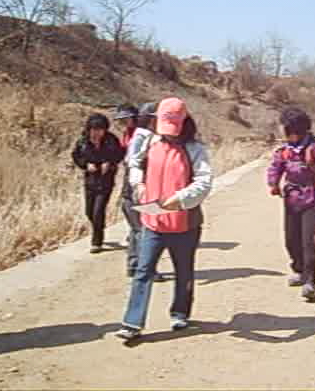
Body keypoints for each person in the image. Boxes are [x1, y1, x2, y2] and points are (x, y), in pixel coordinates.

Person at [115, 98, 212, 341]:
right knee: (143, 270)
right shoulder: (150, 142)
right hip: (153, 221)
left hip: (185, 223)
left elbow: (204, 181)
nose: (168, 134)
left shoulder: (195, 149)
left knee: (183, 271)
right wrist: (138, 185)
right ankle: (132, 323)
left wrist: (180, 199)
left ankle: (180, 313)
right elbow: (134, 164)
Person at [267, 107, 315, 300]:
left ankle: (310, 281)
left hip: (314, 198)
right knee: (291, 239)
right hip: (292, 198)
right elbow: (275, 167)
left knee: (309, 240)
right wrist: (273, 183)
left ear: (297, 130)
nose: (285, 133)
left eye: (287, 130)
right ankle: (299, 269)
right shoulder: (285, 150)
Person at [71, 113, 124, 254]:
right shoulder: (83, 141)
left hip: (106, 181)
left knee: (98, 211)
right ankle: (99, 226)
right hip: (90, 181)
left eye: (100, 129)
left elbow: (120, 154)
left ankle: (97, 242)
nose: (97, 133)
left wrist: (110, 162)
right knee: (89, 212)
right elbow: (76, 156)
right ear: (89, 129)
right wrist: (86, 164)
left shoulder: (111, 140)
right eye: (94, 129)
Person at [121, 102, 157, 278]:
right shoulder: (146, 137)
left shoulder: (139, 136)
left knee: (137, 231)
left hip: (131, 193)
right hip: (138, 193)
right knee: (145, 231)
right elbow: (134, 163)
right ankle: (145, 269)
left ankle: (134, 265)